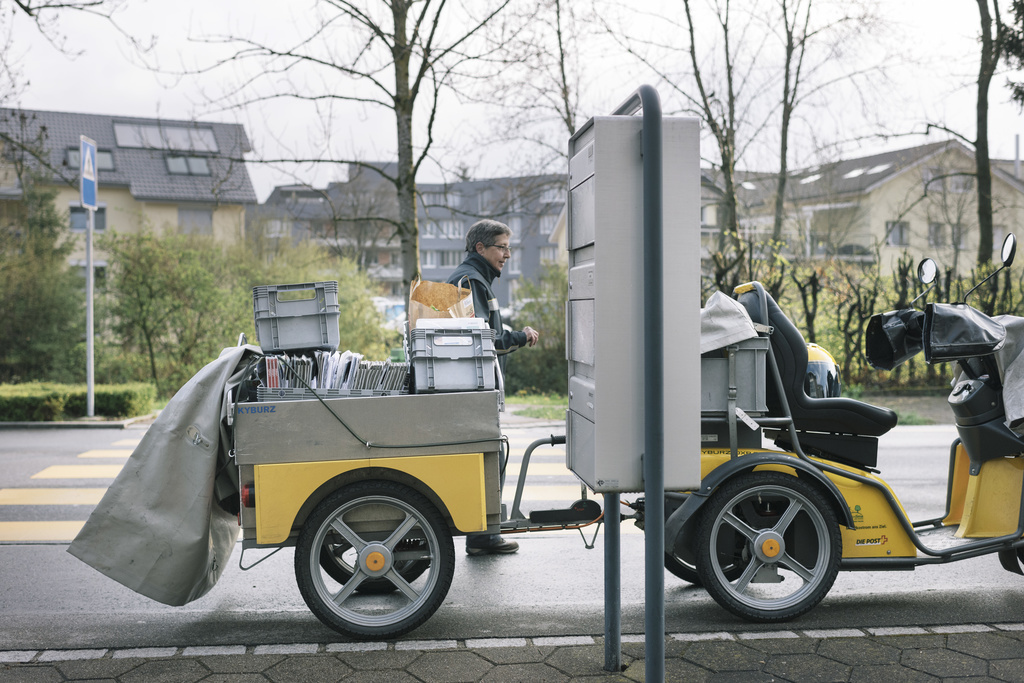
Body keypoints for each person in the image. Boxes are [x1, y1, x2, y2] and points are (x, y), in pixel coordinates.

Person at [447, 219, 539, 556]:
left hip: (471, 388)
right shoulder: (470, 281)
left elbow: (481, 326)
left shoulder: (473, 279)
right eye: (501, 247)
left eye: (508, 247)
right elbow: (481, 339)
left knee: (489, 456)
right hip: (472, 390)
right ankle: (483, 536)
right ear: (480, 248)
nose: (508, 255)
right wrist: (520, 336)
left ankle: (482, 533)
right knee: (489, 458)